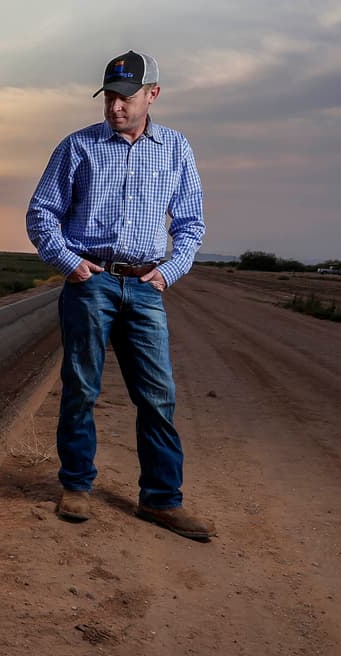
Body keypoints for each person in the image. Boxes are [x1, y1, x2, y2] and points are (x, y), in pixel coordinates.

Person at [26, 50, 214, 541]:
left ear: (152, 95)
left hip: (147, 286)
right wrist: (71, 263)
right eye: (109, 97)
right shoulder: (78, 146)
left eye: (126, 98)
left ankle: (161, 501)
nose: (115, 108)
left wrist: (169, 271)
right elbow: (42, 213)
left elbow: (191, 224)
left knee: (158, 397)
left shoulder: (176, 149)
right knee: (81, 389)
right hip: (92, 283)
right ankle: (76, 487)